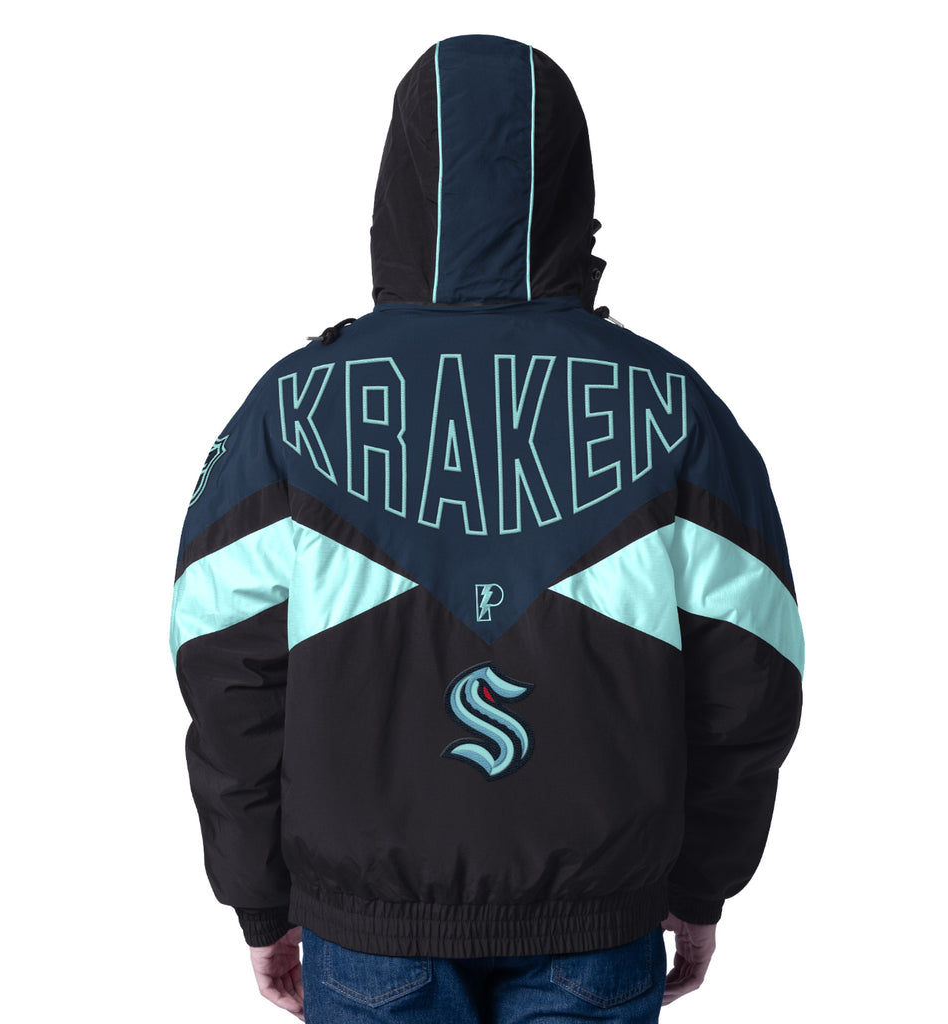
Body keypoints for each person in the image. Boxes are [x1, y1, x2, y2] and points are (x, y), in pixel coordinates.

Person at [169, 33, 804, 1023]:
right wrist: (700, 885)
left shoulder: (292, 409)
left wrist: (259, 895)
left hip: (371, 927)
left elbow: (223, 667)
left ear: (396, 186)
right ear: (571, 186)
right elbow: (752, 669)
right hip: (598, 916)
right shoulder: (674, 407)